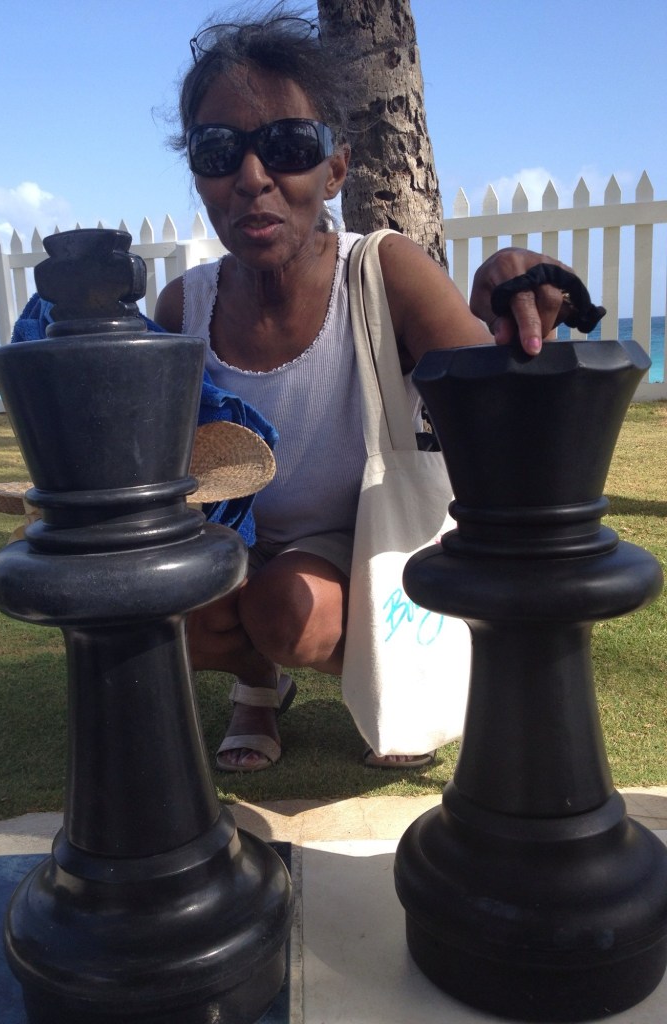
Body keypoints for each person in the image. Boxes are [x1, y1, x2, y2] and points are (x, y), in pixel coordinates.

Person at [155, 6, 598, 772]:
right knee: (171, 608)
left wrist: (513, 300)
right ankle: (259, 685)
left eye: (289, 146)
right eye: (219, 149)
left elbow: (503, 411)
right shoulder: (182, 309)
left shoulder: (383, 270)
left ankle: (383, 677)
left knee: (290, 612)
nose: (253, 178)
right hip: (243, 538)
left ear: (335, 168)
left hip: (367, 534)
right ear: (199, 174)